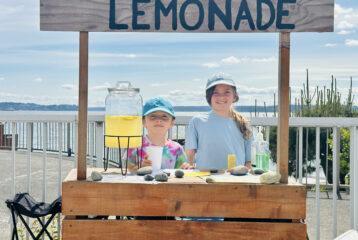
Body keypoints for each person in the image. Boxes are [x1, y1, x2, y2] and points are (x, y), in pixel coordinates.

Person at [185, 73, 253, 170]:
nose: (221, 97)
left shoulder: (244, 123)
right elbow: (189, 156)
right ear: (209, 97)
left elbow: (248, 161)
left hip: (235, 180)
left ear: (234, 96)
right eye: (215, 93)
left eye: (227, 92)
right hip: (205, 180)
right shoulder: (197, 121)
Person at [128, 97, 193, 170]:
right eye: (153, 116)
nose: (159, 120)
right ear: (143, 122)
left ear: (172, 123)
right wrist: (140, 168)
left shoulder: (177, 148)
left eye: (164, 116)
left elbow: (181, 172)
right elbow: (127, 171)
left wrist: (186, 169)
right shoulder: (135, 146)